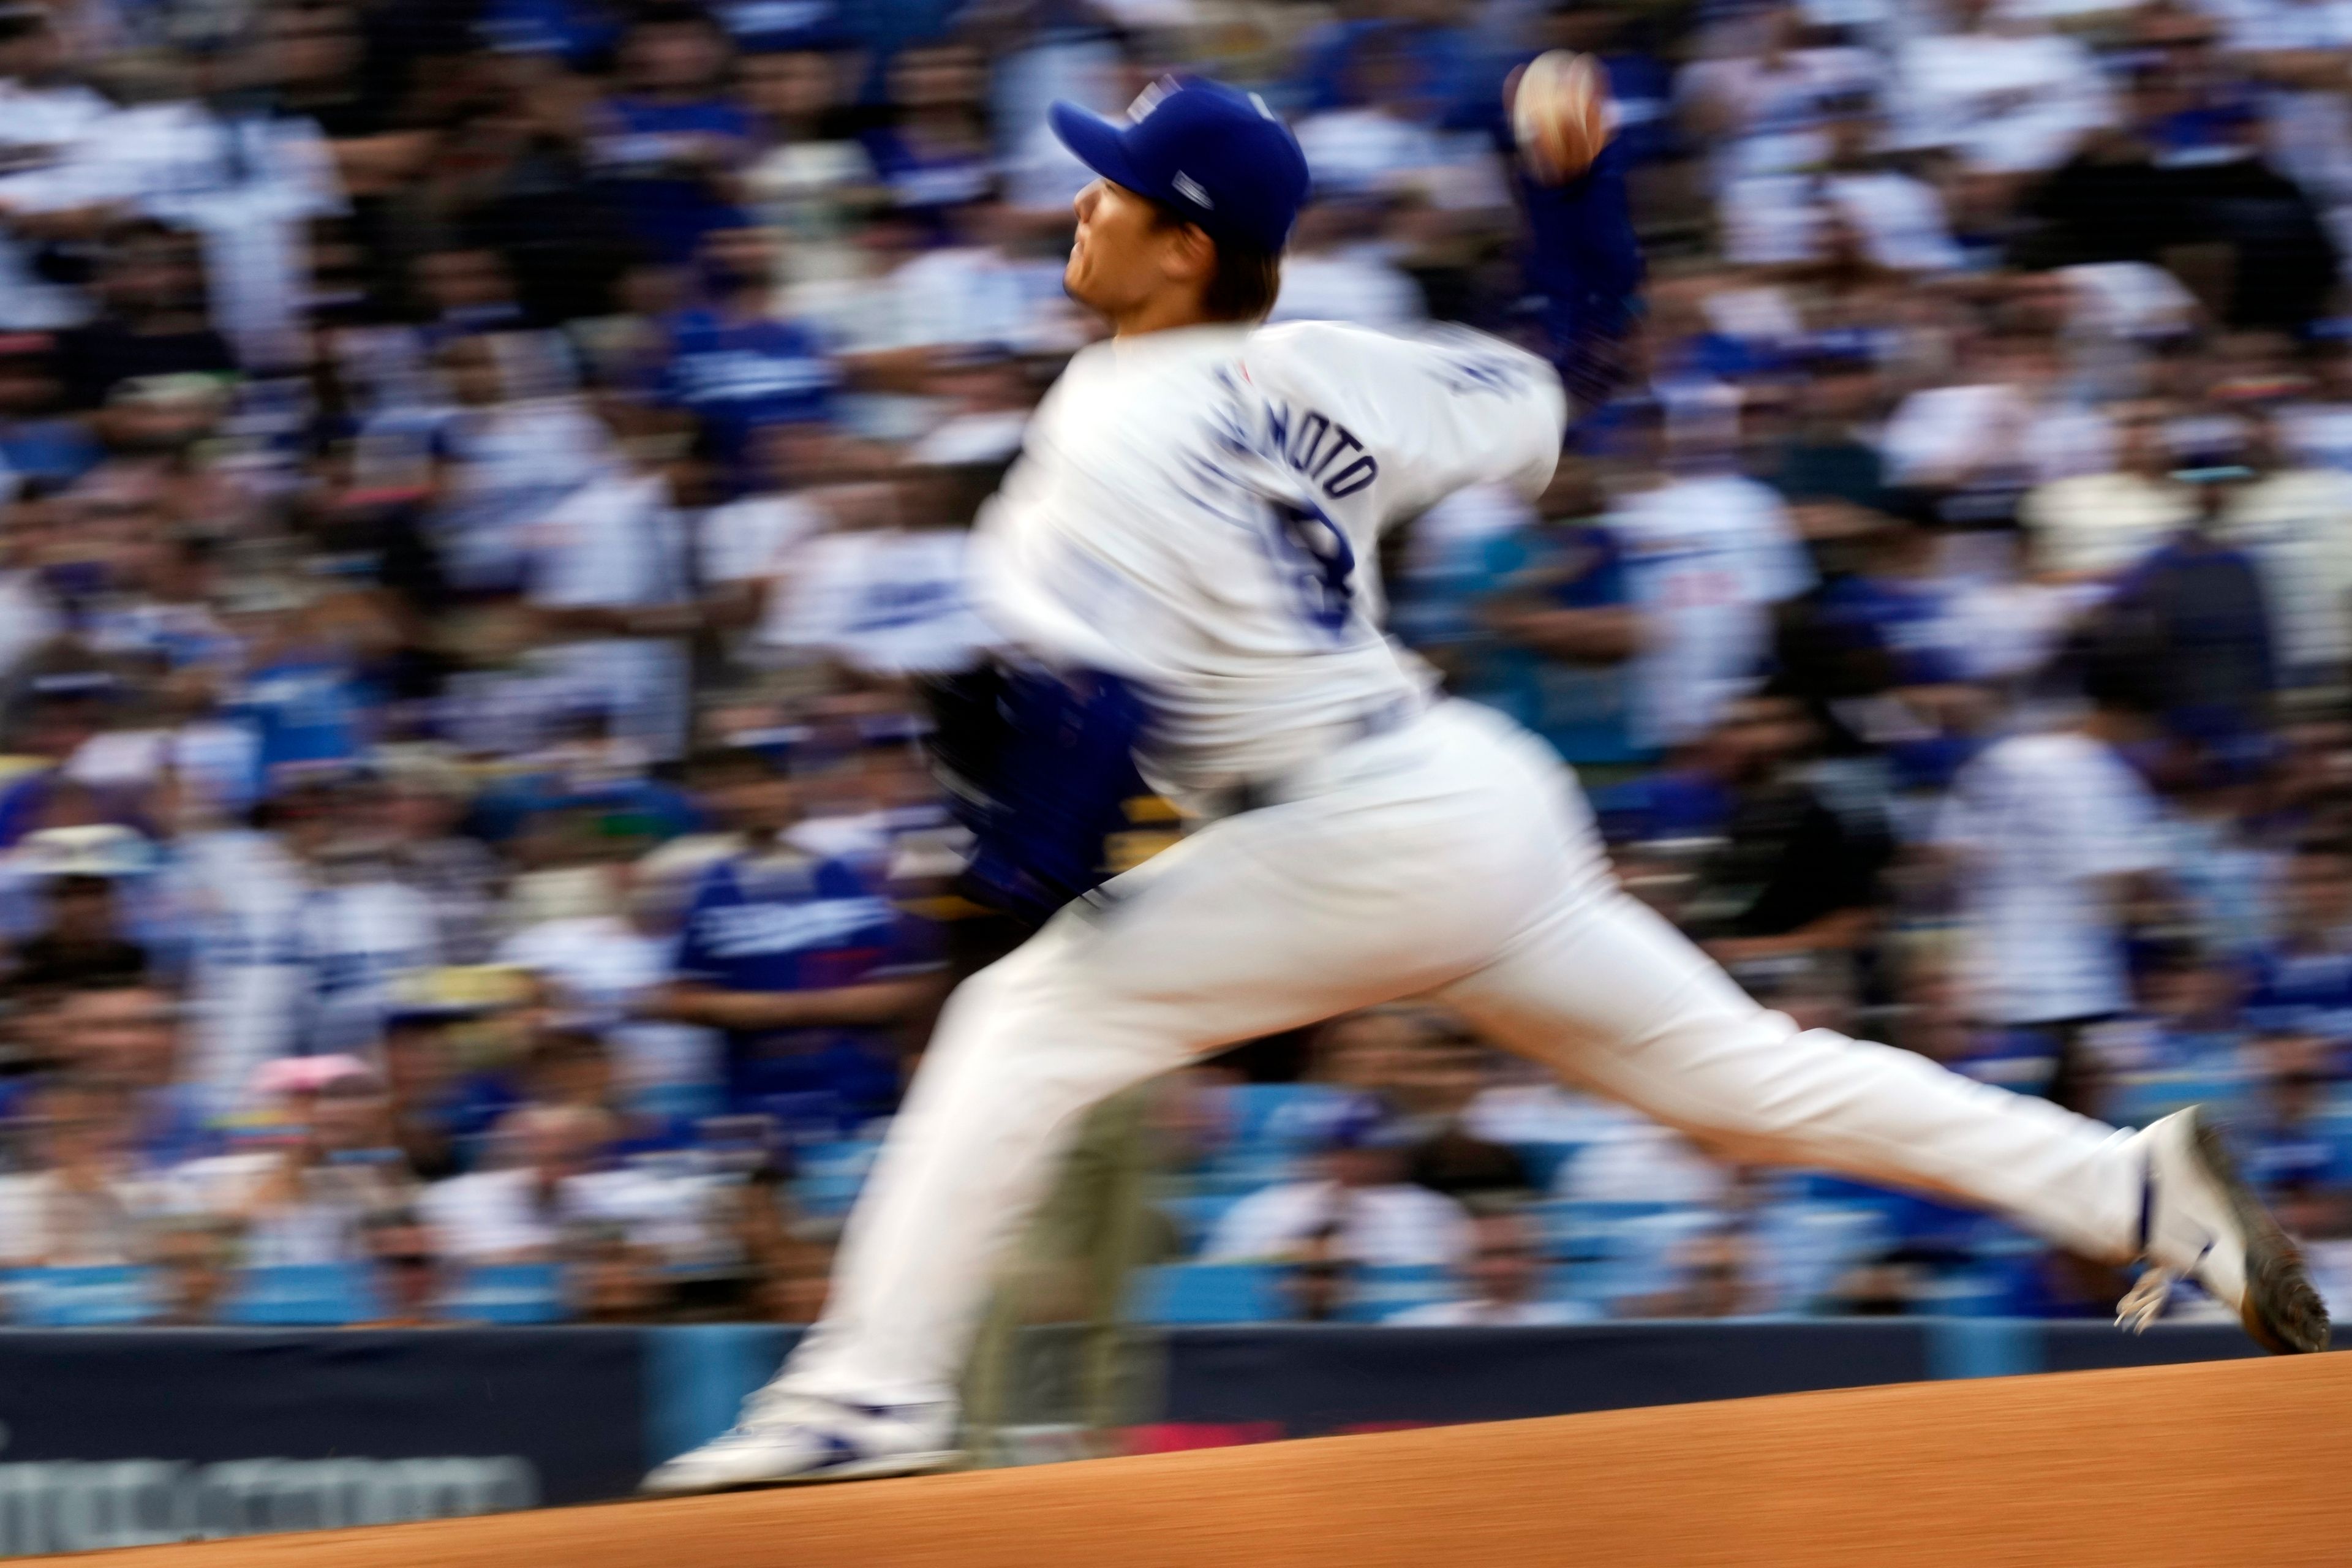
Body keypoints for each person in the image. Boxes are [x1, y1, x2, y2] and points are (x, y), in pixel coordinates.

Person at [644, 75, 2326, 1497]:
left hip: (1351, 827)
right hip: (1467, 798)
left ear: (1187, 242)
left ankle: (869, 1392)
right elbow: (1575, 364)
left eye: (1114, 194)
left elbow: (1093, 719)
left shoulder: (1102, 422)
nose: (1079, 211)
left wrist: (1000, 905)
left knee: (1019, 1026)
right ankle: (2130, 1188)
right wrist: (1571, 189)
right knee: (1744, 1081)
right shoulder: (1323, 368)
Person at [1385, 1205, 1594, 1326]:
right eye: (1484, 1256)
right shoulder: (1414, 1328)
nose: (1501, 1268)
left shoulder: (1580, 1324)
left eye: (1514, 1253)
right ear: (1455, 1265)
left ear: (1543, 1261)